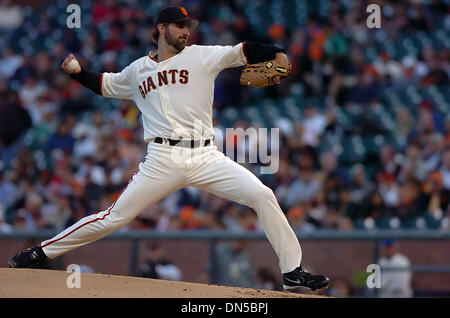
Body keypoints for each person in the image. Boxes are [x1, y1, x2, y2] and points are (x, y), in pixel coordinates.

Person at [8, 6, 329, 292]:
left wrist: (278, 52)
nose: (186, 31)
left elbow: (244, 50)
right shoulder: (137, 71)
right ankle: (41, 252)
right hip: (162, 159)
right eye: (179, 25)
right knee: (114, 217)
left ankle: (291, 272)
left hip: (206, 156)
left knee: (263, 195)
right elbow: (105, 84)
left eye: (188, 26)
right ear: (161, 28)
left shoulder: (202, 55)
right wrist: (79, 74)